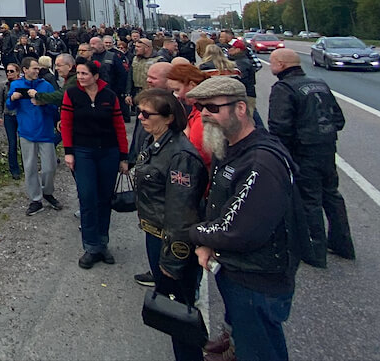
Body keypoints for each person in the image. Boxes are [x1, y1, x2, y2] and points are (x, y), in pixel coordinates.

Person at [189, 76, 301, 361]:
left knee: (261, 350)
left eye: (212, 108)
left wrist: (198, 235)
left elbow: (239, 229)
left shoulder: (261, 160)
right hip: (237, 268)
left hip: (258, 277)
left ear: (240, 108)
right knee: (249, 339)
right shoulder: (228, 147)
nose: (204, 114)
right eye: (201, 107)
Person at [133, 88, 208, 361]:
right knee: (169, 309)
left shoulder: (180, 156)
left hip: (170, 241)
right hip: (155, 234)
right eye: (139, 111)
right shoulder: (156, 142)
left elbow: (181, 213)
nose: (139, 117)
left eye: (146, 113)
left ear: (167, 118)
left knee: (178, 311)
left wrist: (173, 261)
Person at [268, 47, 354, 266]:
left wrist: (280, 154)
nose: (271, 66)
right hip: (326, 148)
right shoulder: (320, 84)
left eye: (273, 63)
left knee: (309, 200)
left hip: (302, 151)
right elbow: (338, 119)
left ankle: (314, 251)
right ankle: (343, 243)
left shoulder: (284, 88)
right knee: (332, 195)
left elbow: (279, 126)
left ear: (282, 65)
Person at [61, 58, 129, 268]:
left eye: (84, 74)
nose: (80, 78)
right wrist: (69, 152)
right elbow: (66, 123)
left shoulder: (109, 96)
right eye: (78, 73)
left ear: (96, 76)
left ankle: (102, 243)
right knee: (88, 196)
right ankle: (90, 246)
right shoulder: (72, 94)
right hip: (83, 151)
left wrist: (124, 156)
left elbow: (119, 125)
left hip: (108, 151)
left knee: (104, 199)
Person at [9, 56, 64, 214]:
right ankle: (35, 199)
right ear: (25, 70)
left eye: (38, 68)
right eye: (34, 68)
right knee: (30, 167)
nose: (37, 70)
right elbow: (10, 106)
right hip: (26, 132)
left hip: (45, 132)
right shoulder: (16, 85)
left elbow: (54, 107)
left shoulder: (46, 86)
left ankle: (47, 192)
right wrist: (12, 98)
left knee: (50, 167)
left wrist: (43, 103)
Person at [0, 62, 23, 180]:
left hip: (21, 115)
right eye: (7, 71)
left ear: (18, 72)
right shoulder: (3, 85)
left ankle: (26, 165)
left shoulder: (23, 84)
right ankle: (14, 169)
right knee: (12, 143)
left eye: (12, 71)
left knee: (23, 142)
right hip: (8, 116)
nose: (9, 73)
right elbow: (0, 101)